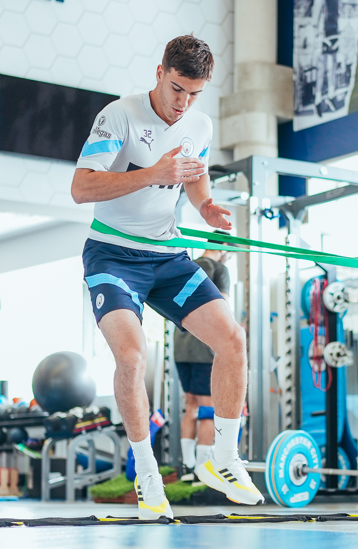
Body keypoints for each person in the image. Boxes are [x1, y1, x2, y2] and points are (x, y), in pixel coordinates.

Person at [71, 35, 263, 520]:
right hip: (112, 255)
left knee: (234, 340)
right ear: (159, 73)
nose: (184, 104)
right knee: (133, 358)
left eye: (195, 93)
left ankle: (222, 459)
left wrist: (205, 204)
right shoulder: (118, 116)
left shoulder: (198, 122)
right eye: (178, 89)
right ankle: (146, 471)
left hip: (167, 255)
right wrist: (154, 172)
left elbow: (194, 171)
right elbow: (82, 187)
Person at [172, 233, 233, 481]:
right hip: (203, 348)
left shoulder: (188, 266)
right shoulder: (220, 270)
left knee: (191, 406)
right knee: (208, 408)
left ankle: (187, 467)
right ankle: (201, 471)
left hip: (181, 346)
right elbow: (222, 310)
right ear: (224, 247)